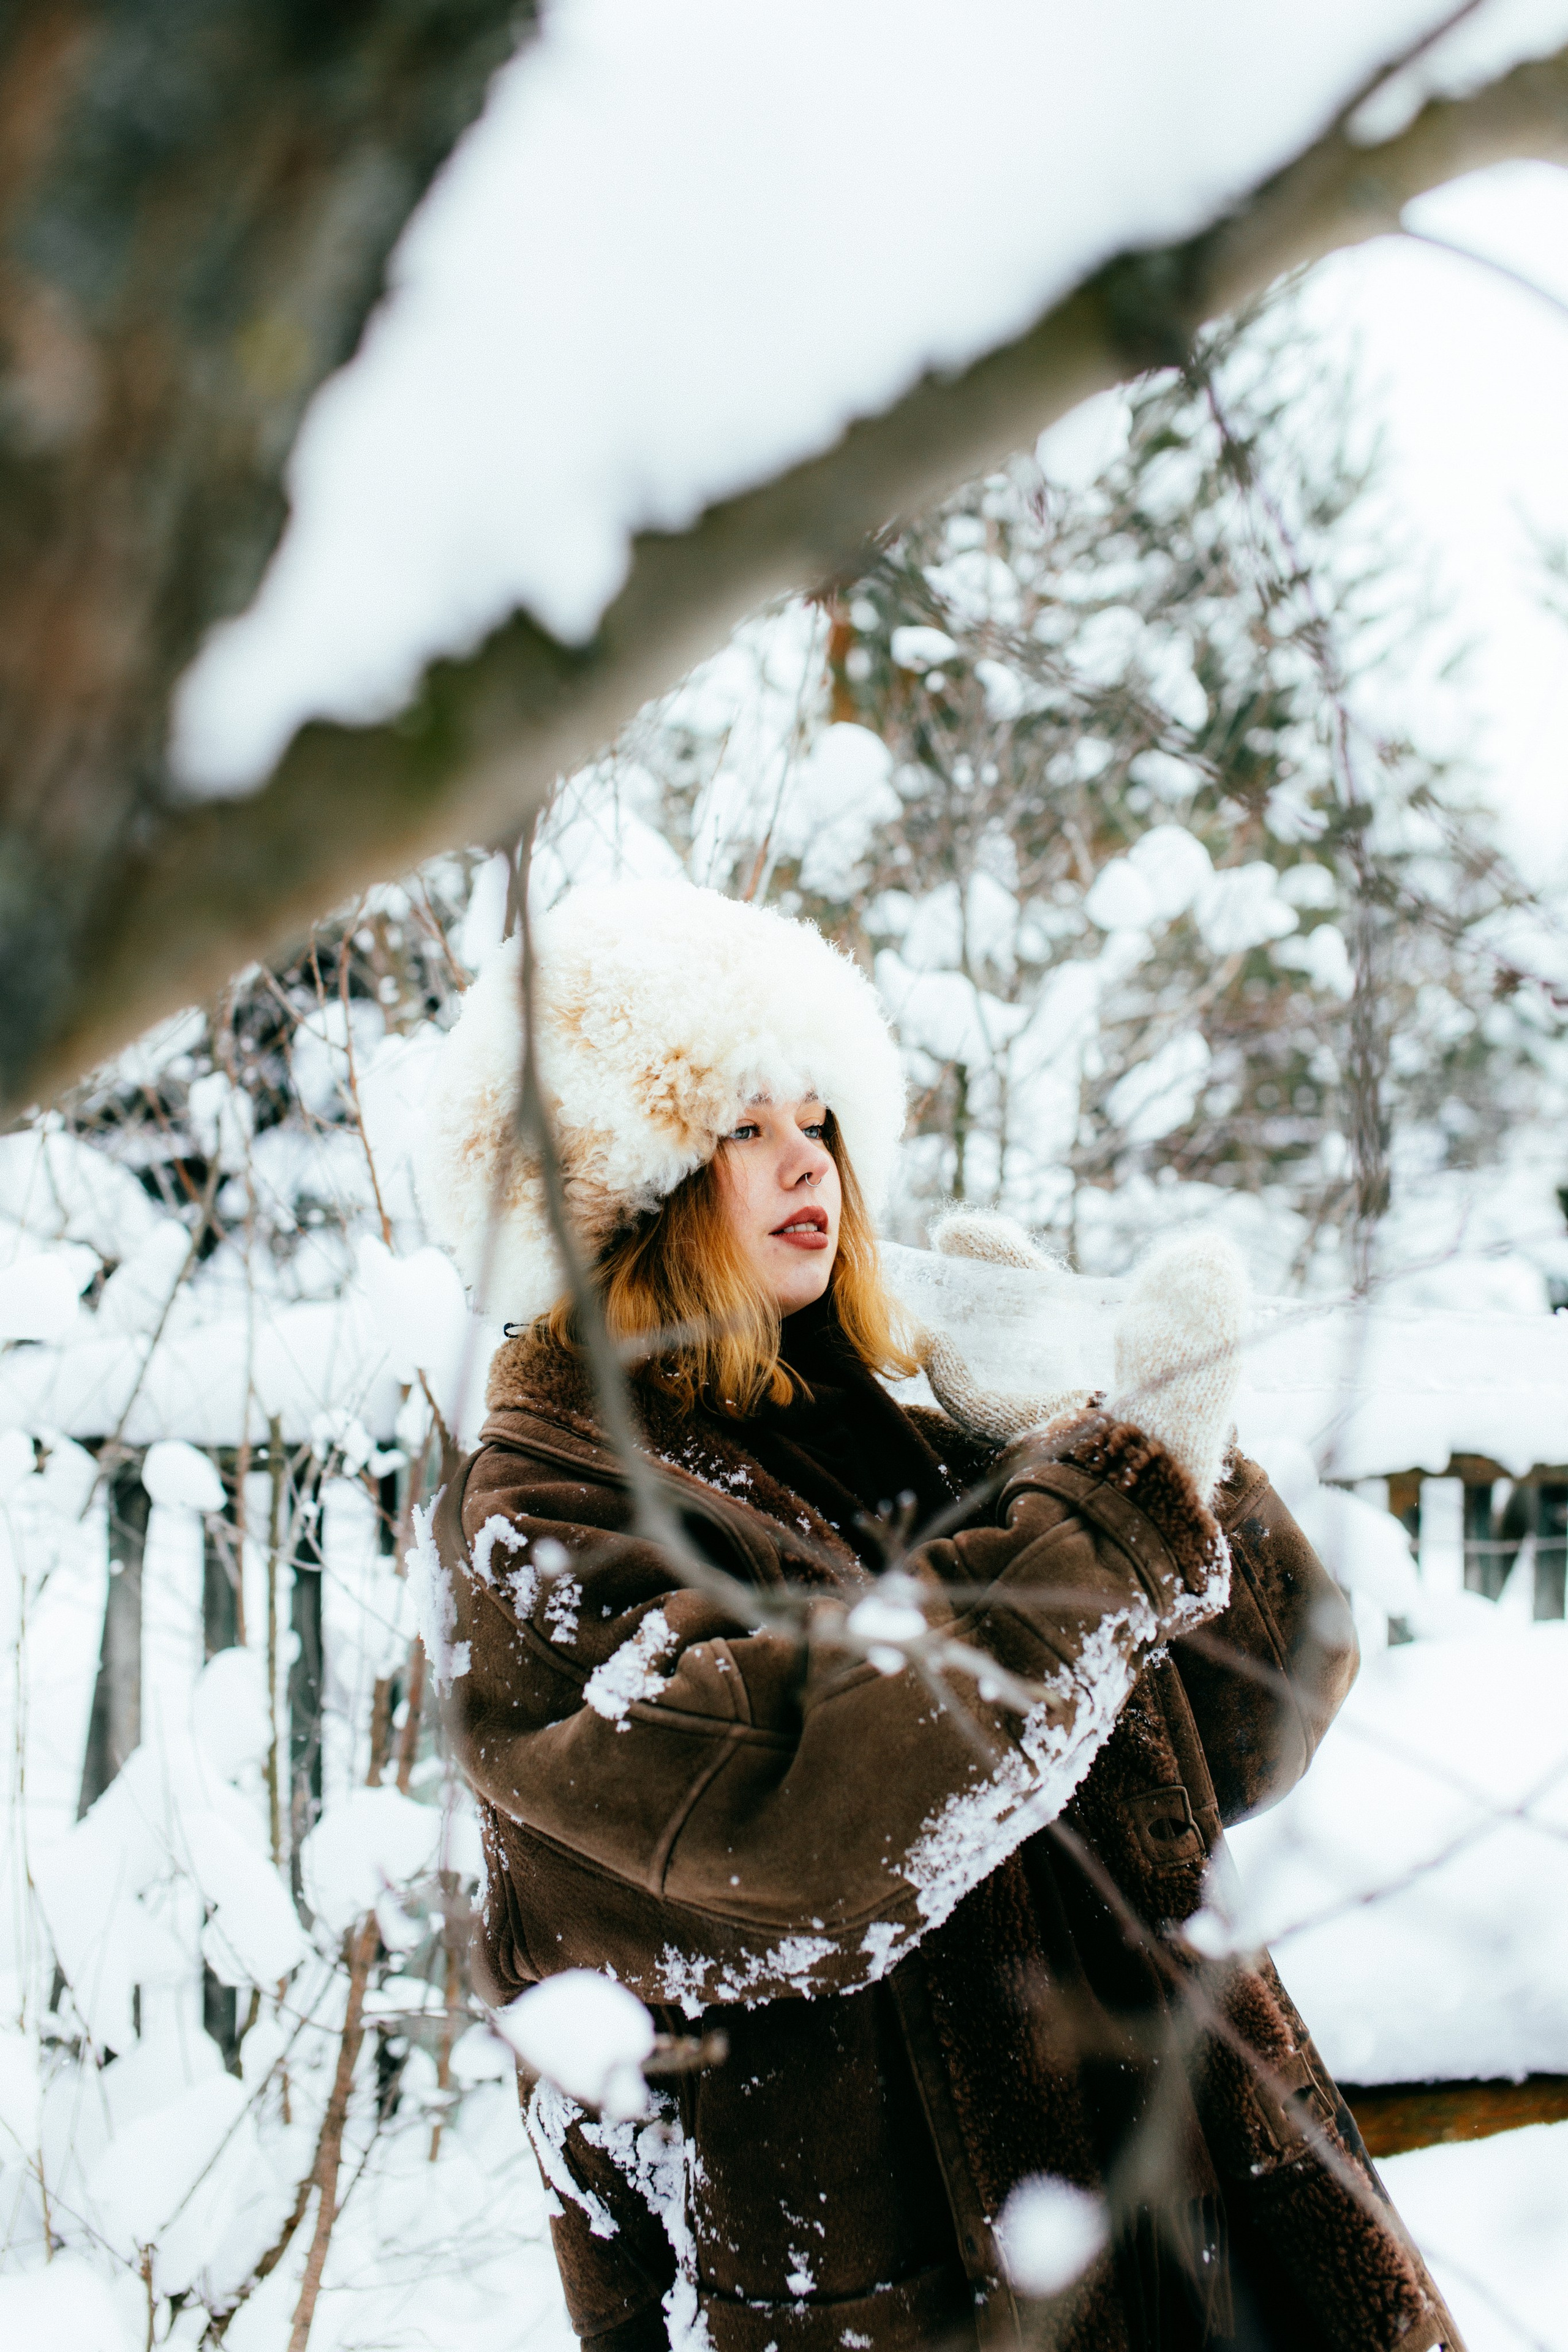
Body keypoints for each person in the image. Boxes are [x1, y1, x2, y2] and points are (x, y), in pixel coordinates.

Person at [417, 881, 1461, 2352]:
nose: (808, 1162)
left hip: (1195, 2250)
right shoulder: (543, 1514)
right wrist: (1104, 1510)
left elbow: (1251, 1721)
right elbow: (795, 1826)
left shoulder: (904, 1446)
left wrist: (1142, 1461)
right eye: (743, 1123)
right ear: (612, 1176)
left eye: (820, 1119)